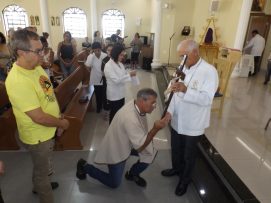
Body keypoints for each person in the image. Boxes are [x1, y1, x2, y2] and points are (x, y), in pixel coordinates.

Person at [5, 29, 70, 203]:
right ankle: (42, 190)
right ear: (21, 53)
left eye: (42, 49)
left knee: (41, 166)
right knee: (43, 173)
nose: (43, 54)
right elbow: (39, 117)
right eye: (38, 51)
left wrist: (58, 114)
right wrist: (61, 124)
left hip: (47, 129)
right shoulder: (18, 80)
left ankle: (37, 184)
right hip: (38, 135)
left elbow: (48, 94)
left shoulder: (36, 67)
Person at [76, 88, 170, 188]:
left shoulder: (136, 104)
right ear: (142, 101)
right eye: (153, 103)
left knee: (151, 152)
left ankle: (132, 174)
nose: (155, 106)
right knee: (114, 183)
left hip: (129, 142)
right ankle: (85, 166)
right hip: (116, 148)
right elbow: (140, 147)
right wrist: (155, 129)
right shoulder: (130, 118)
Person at [161, 39, 218, 196]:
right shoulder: (182, 67)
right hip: (177, 119)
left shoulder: (209, 71)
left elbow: (207, 100)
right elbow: (172, 91)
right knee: (176, 149)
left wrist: (186, 90)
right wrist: (169, 112)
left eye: (184, 56)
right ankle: (176, 168)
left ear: (195, 52)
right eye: (180, 56)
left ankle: (184, 181)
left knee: (188, 155)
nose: (182, 60)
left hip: (193, 123)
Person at [104, 44, 136, 123]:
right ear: (115, 53)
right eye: (121, 55)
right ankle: (112, 132)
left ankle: (118, 130)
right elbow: (116, 80)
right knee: (114, 115)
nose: (122, 57)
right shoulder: (108, 66)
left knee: (119, 114)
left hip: (121, 93)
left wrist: (131, 74)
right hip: (114, 95)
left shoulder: (120, 64)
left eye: (123, 55)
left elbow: (124, 75)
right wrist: (129, 75)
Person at [85, 42, 107, 113]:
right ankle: (98, 106)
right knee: (97, 94)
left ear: (101, 49)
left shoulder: (105, 55)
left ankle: (104, 106)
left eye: (98, 50)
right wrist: (91, 55)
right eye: (95, 50)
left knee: (104, 93)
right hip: (95, 78)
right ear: (93, 50)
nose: (97, 52)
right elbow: (87, 66)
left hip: (104, 78)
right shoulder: (91, 56)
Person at [101, 44, 113, 119]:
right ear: (106, 51)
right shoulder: (104, 60)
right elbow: (103, 72)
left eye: (112, 50)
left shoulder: (116, 59)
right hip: (107, 81)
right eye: (108, 50)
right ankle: (106, 111)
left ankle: (112, 110)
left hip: (114, 82)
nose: (110, 52)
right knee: (105, 95)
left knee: (112, 96)